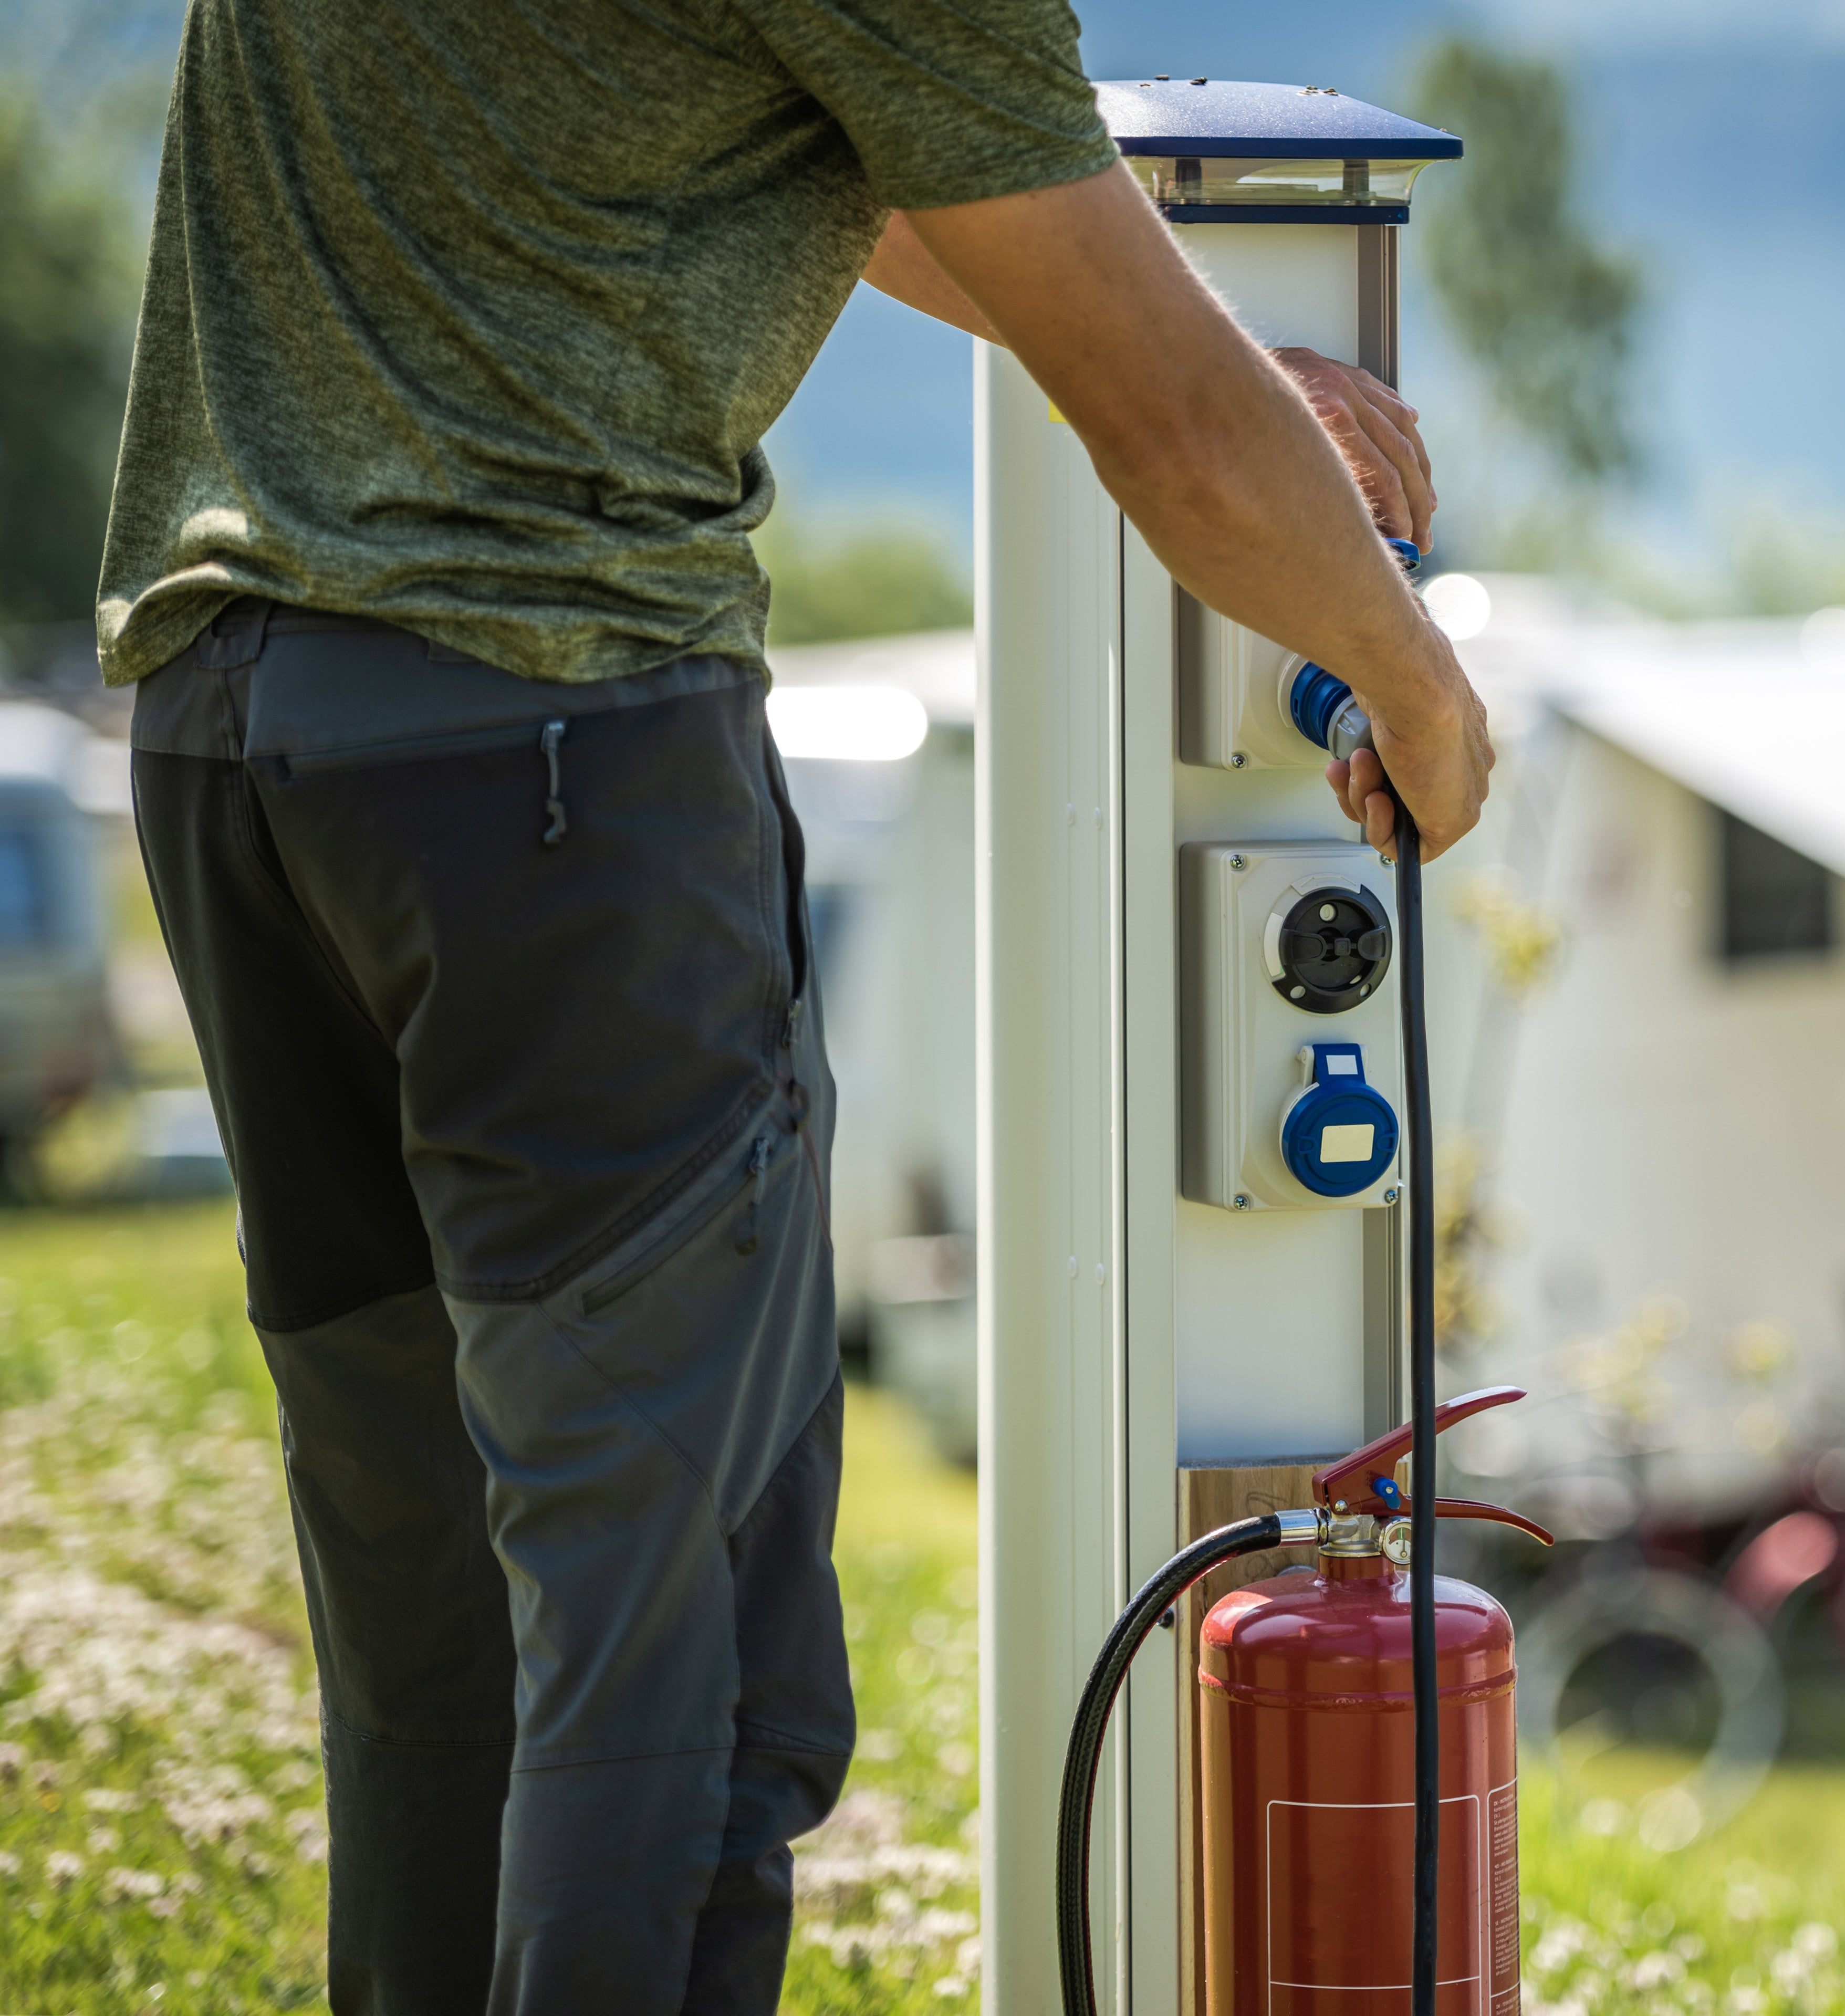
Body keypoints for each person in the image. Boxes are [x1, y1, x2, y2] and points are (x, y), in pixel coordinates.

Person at [94, 1, 1490, 2008]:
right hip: (556, 763)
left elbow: (805, 143)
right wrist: (1419, 686)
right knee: (678, 1671)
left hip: (241, 751)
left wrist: (1149, 331)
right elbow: (1173, 433)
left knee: (438, 1644)